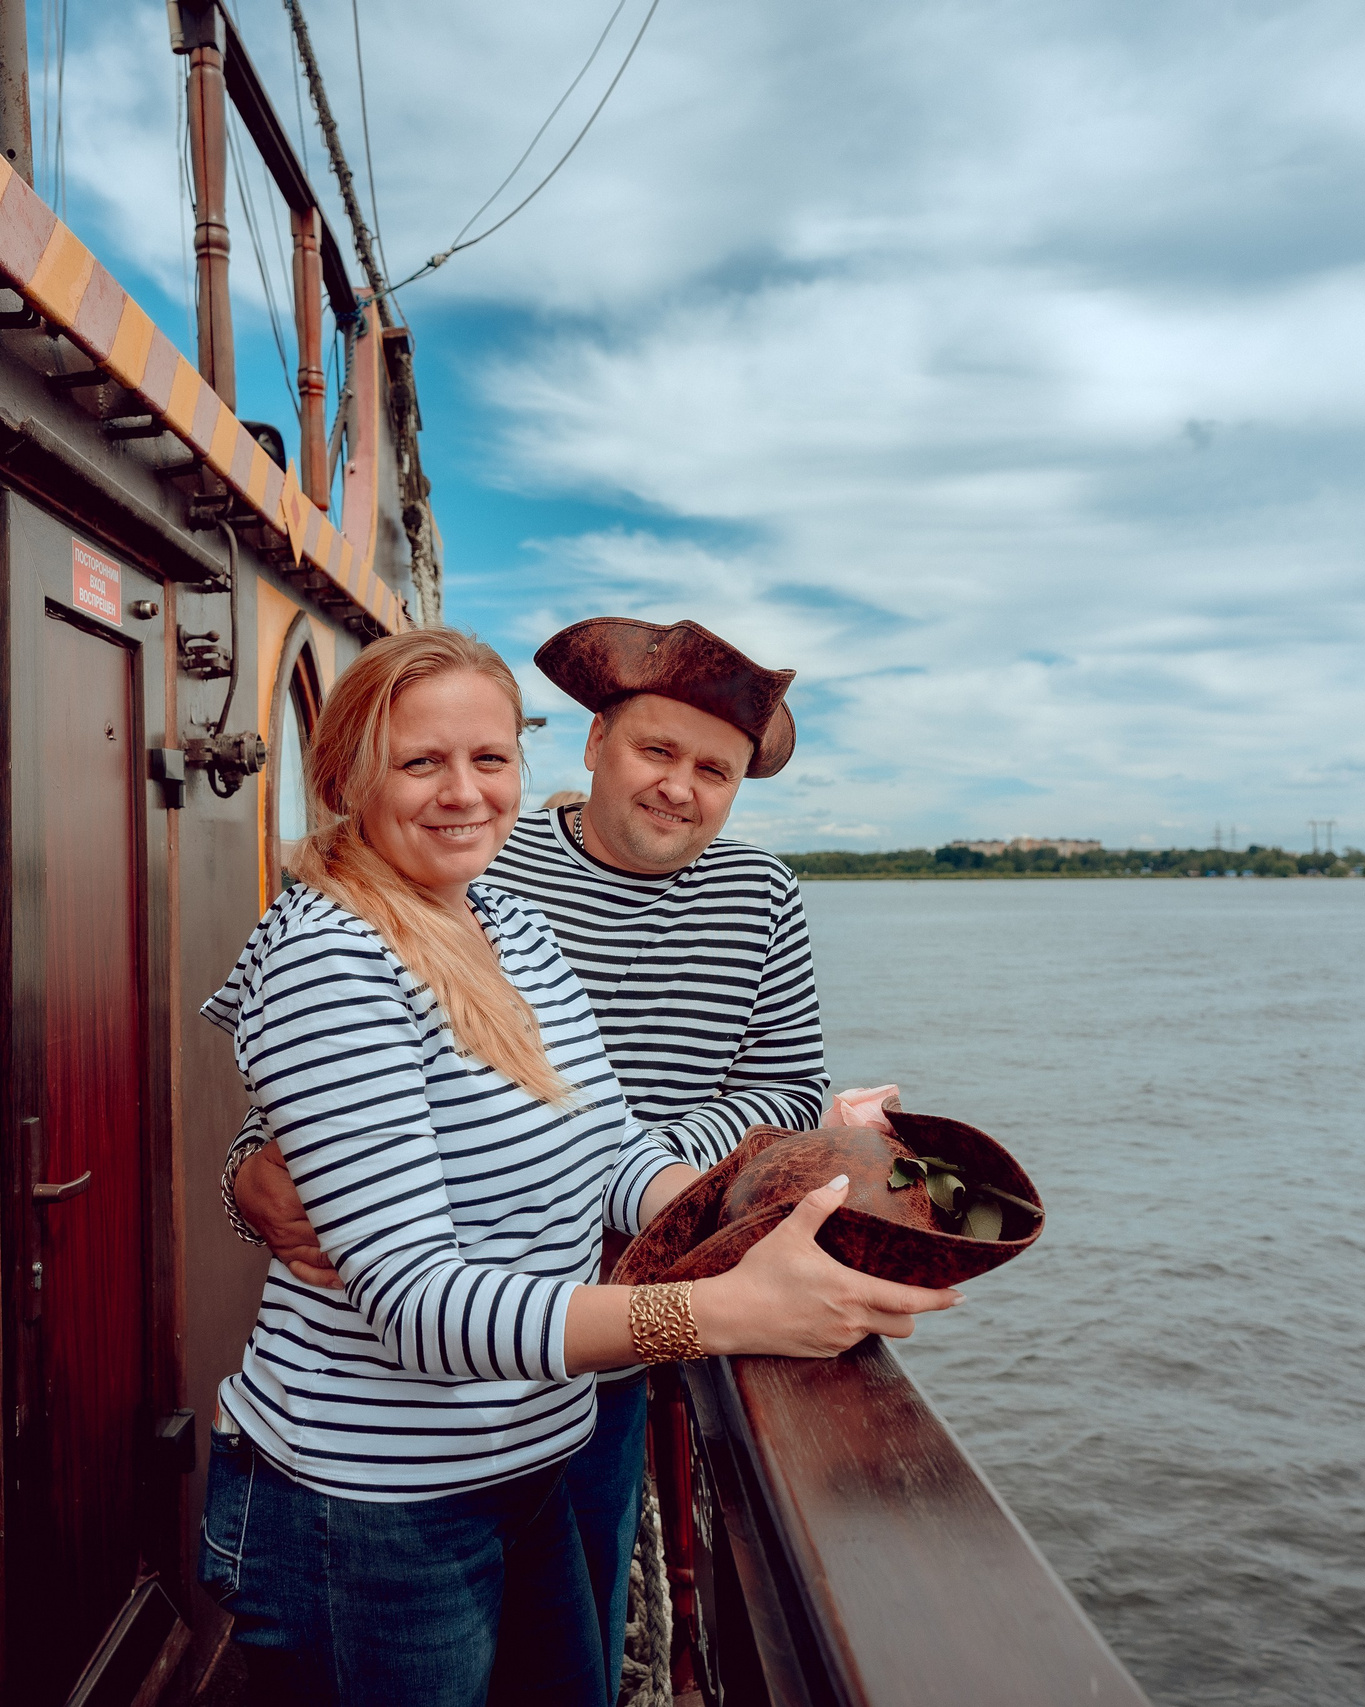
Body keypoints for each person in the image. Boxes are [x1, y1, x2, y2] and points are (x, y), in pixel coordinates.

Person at [198, 628, 957, 1705]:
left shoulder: (503, 923)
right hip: (382, 1504)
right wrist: (722, 1312)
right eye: (421, 763)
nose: (463, 795)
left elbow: (610, 1146)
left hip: (538, 1445)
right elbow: (413, 1301)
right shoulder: (332, 957)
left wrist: (801, 1197)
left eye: (489, 759)